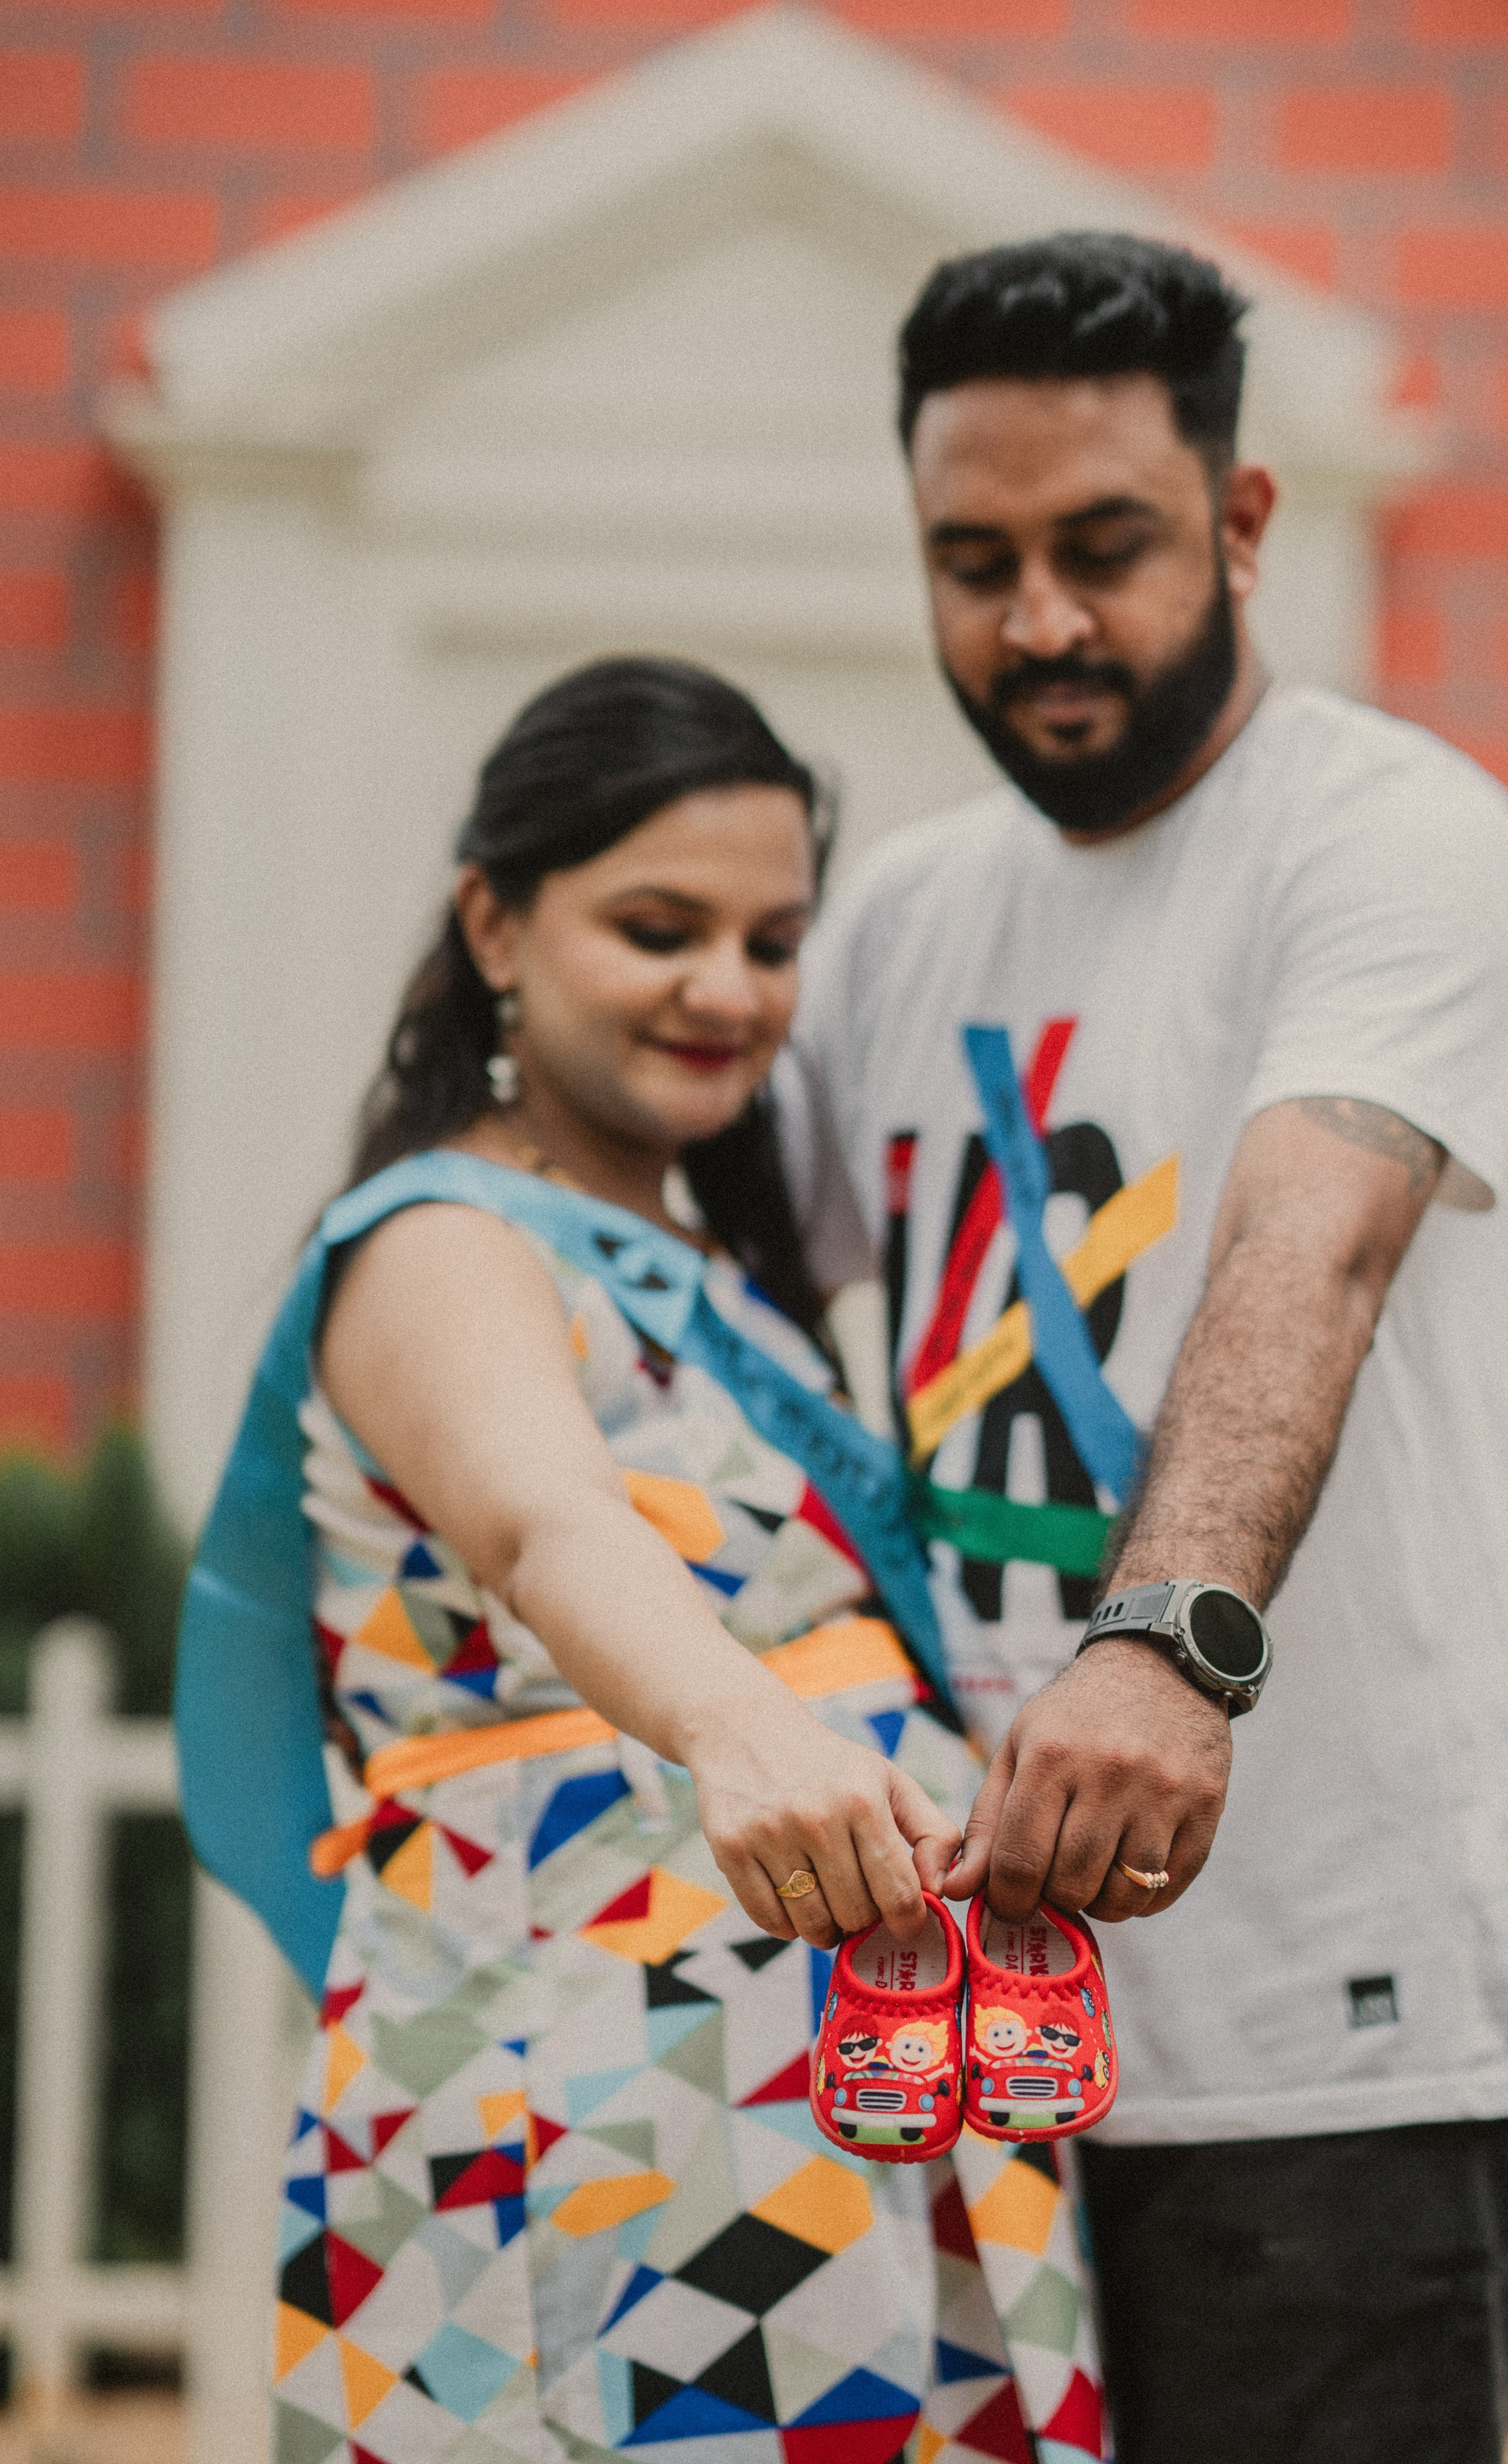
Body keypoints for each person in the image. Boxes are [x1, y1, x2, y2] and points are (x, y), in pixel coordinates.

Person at [779, 235, 1508, 2463]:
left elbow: (1308, 1244)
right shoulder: (901, 919)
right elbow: (715, 1309)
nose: (1039, 617)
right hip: (939, 2024)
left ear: (1242, 525)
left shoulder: (1398, 842)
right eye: (976, 562)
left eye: (1104, 546)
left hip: (1325, 2030)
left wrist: (1165, 1645)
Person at [175, 658, 1107, 2464]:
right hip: (593, 2093)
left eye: (772, 943)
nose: (728, 991)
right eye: (657, 929)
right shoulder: (442, 1242)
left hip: (821, 2076)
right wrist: (741, 1729)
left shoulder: (709, 1260)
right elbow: (549, 1523)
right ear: (494, 925)